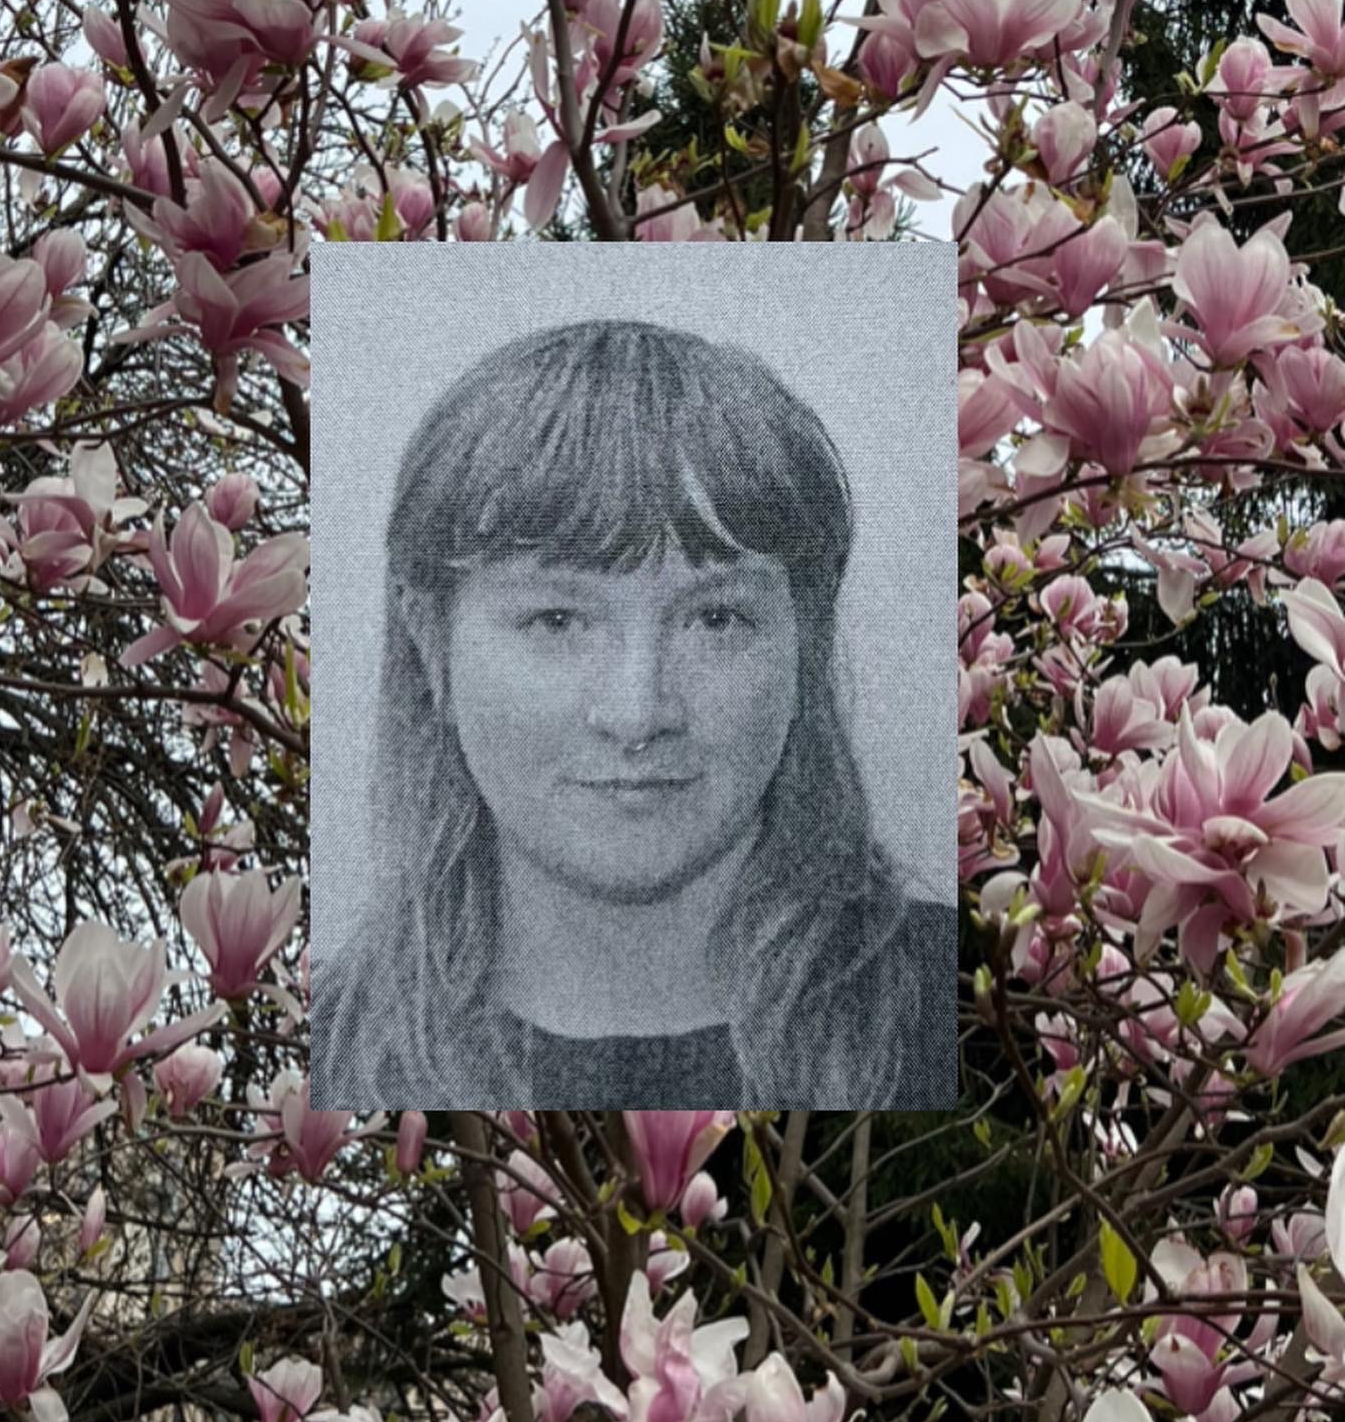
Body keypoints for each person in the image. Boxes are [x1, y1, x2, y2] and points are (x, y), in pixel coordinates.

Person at [310, 319, 956, 1110]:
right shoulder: (324, 1048)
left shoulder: (965, 1009)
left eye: (715, 620)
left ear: (806, 642)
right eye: (557, 621)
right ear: (429, 640)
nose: (637, 713)